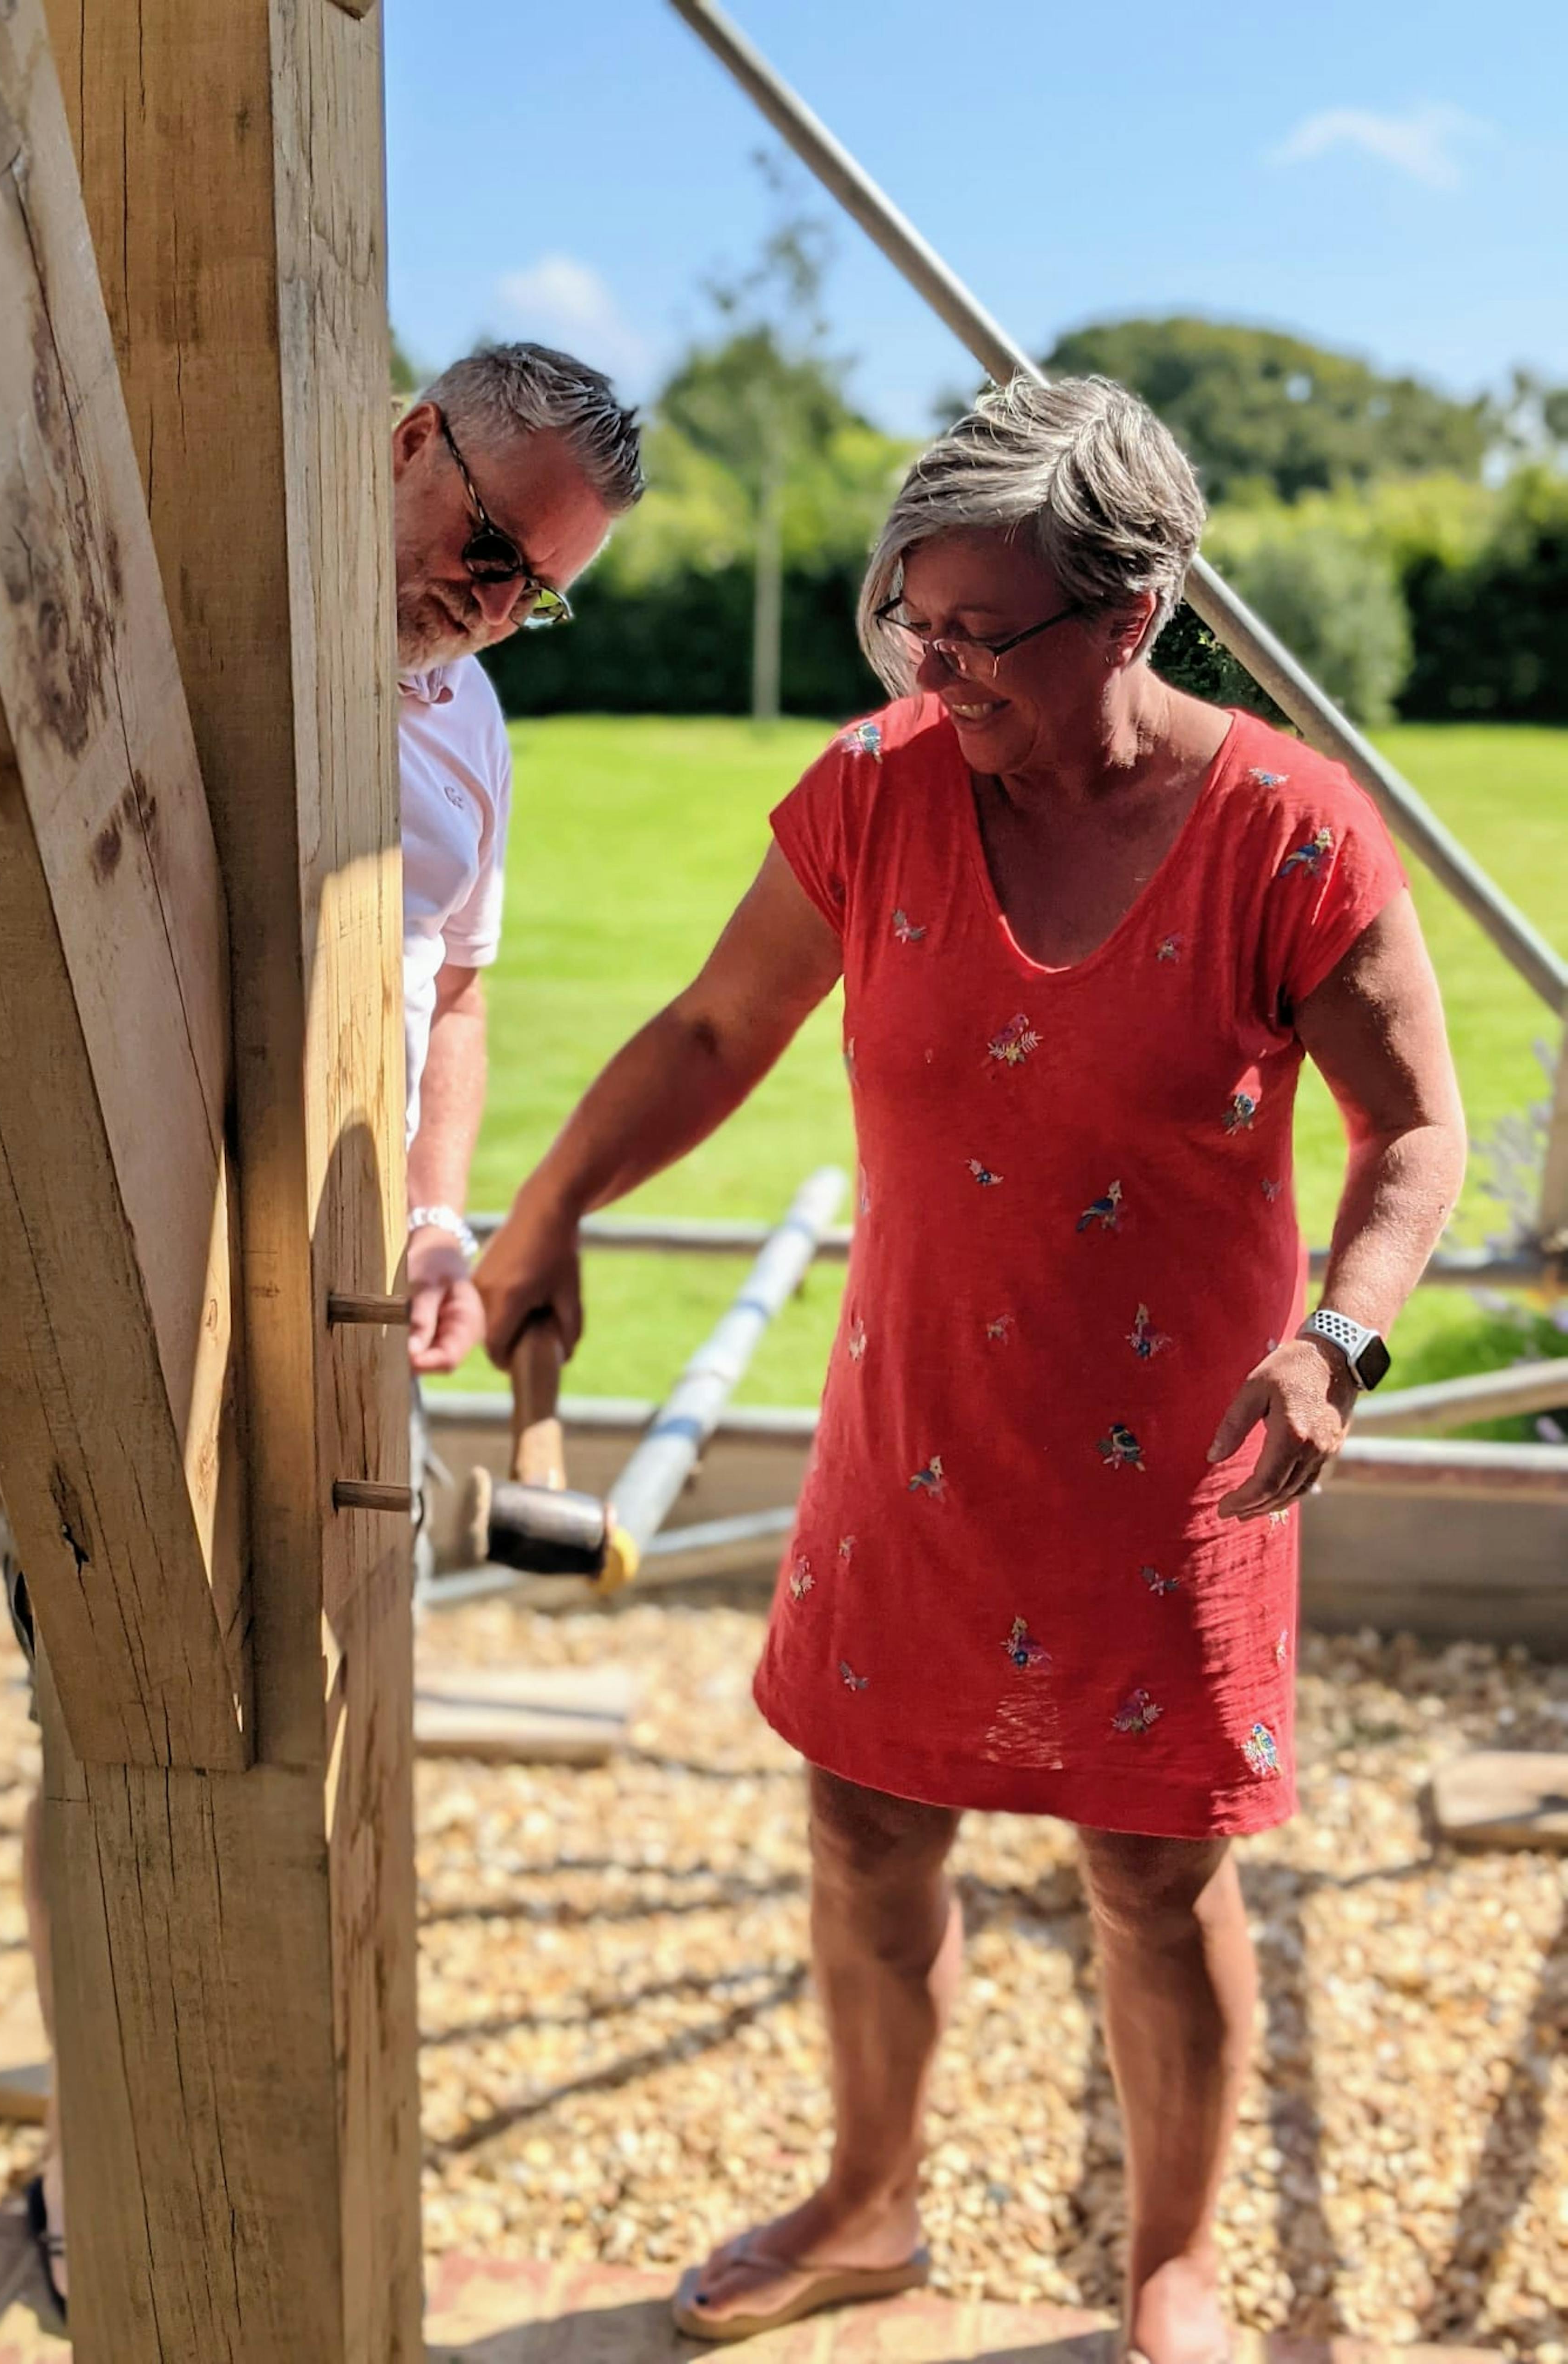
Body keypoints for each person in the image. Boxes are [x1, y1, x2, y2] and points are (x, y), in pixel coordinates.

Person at [475, 375, 1466, 2356]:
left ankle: (1169, 2262)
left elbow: (1417, 1128)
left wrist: (1337, 1335)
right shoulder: (880, 782)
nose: (934, 669)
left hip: (1185, 1453)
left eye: (978, 633)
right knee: (860, 1820)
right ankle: (867, 2201)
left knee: (1156, 1867)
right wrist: (553, 1204)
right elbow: (709, 1034)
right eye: (909, 623)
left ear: (1135, 607)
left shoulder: (1287, 828)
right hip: (913, 1429)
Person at [10, 341, 645, 2315]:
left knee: (338, 1691)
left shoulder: (474, 729)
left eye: (540, 590)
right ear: (401, 440)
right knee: (114, 1706)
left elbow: (452, 995)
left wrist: (445, 1208)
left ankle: (280, 2090)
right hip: (126, 1241)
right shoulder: (201, 606)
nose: (492, 606)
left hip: (342, 1273)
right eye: (483, 545)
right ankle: (91, 2129)